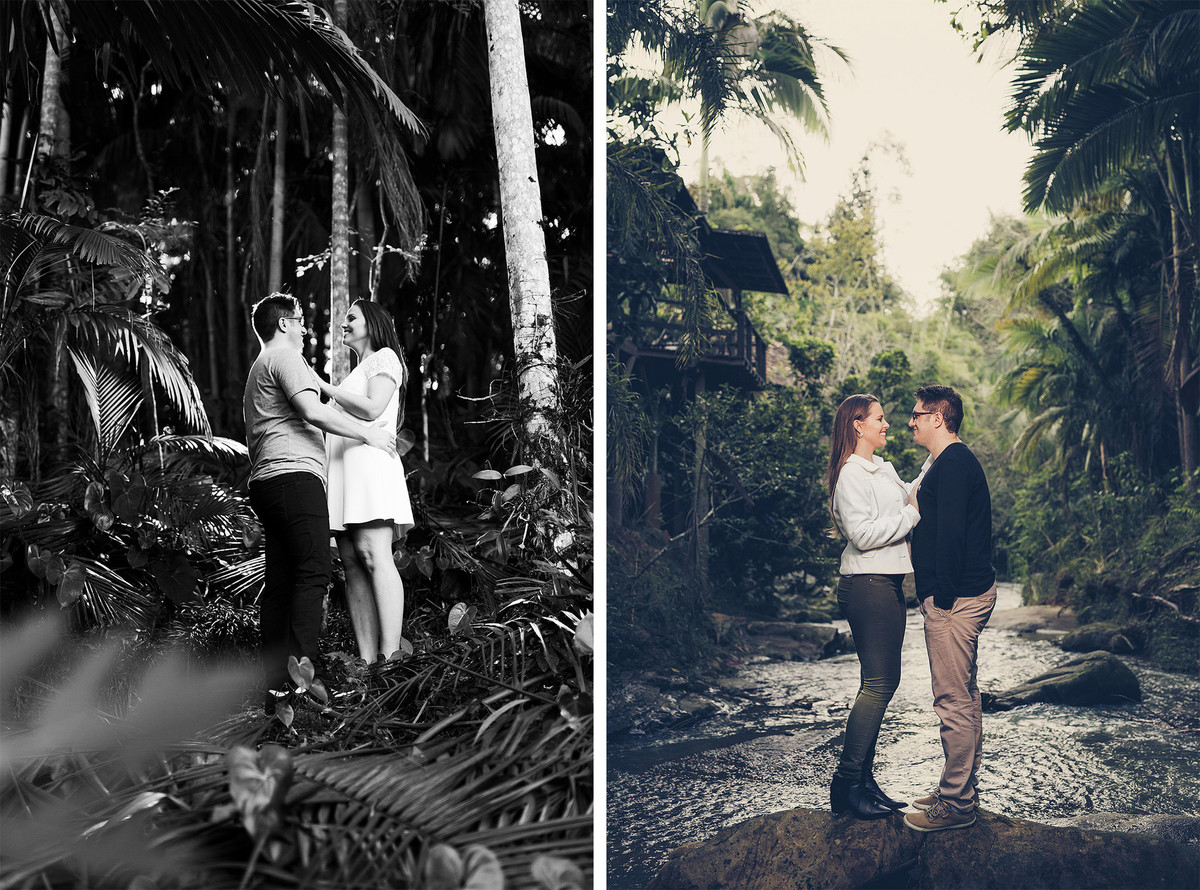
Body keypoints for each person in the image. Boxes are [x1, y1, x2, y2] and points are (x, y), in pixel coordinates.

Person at [243, 293, 396, 712]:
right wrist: (369, 434)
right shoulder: (286, 359)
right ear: (283, 325)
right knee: (314, 574)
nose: (305, 328)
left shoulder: (259, 368)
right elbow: (313, 411)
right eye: (299, 320)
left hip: (266, 482)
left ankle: (275, 686)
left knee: (280, 582)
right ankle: (301, 683)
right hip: (294, 478)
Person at [903, 384, 997, 833]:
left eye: (917, 414)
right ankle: (957, 789)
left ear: (939, 418)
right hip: (958, 596)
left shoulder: (955, 464)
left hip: (956, 601)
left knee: (952, 700)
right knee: (965, 696)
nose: (911, 421)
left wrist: (939, 598)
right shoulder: (944, 464)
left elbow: (952, 536)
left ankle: (957, 805)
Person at [826, 394, 921, 819]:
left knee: (884, 683)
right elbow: (863, 534)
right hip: (867, 584)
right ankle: (846, 786)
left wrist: (936, 461)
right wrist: (913, 516)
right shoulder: (851, 474)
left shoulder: (882, 468)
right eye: (879, 419)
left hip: (886, 582)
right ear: (857, 426)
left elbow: (908, 497)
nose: (887, 425)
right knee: (878, 685)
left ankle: (864, 780)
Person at [319, 299, 414, 664]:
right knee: (352, 564)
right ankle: (367, 660)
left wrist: (321, 385)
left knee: (375, 556)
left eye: (351, 318)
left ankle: (391, 658)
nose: (344, 324)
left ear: (372, 323)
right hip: (345, 472)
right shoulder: (356, 372)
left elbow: (374, 408)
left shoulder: (385, 357)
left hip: (369, 468)